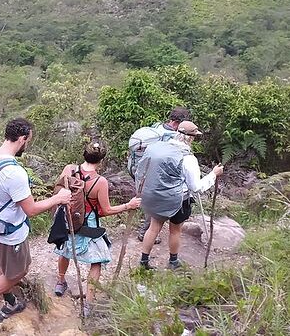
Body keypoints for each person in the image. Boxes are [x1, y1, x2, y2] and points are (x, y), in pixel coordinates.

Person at [0, 118, 72, 324]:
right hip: (9, 233)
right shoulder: (14, 173)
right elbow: (31, 209)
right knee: (18, 272)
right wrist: (58, 198)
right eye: (28, 141)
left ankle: (10, 300)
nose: (28, 145)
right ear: (22, 138)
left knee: (6, 266)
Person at [54, 141, 141, 316]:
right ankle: (89, 302)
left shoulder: (70, 170)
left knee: (65, 250)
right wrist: (128, 205)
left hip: (68, 220)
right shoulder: (100, 182)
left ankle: (60, 282)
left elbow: (58, 190)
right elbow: (106, 210)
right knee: (98, 259)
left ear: (83, 154)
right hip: (88, 224)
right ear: (101, 160)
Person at [138, 121, 223, 270]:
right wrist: (213, 175)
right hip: (178, 199)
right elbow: (195, 187)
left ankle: (143, 262)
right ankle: (173, 262)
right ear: (191, 138)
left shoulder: (159, 147)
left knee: (153, 228)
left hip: (156, 195)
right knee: (175, 230)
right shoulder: (188, 158)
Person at [136, 107, 192, 244]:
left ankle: (147, 231)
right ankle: (145, 232)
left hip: (143, 170)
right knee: (156, 206)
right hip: (157, 175)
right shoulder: (171, 137)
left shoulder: (157, 127)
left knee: (151, 202)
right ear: (177, 123)